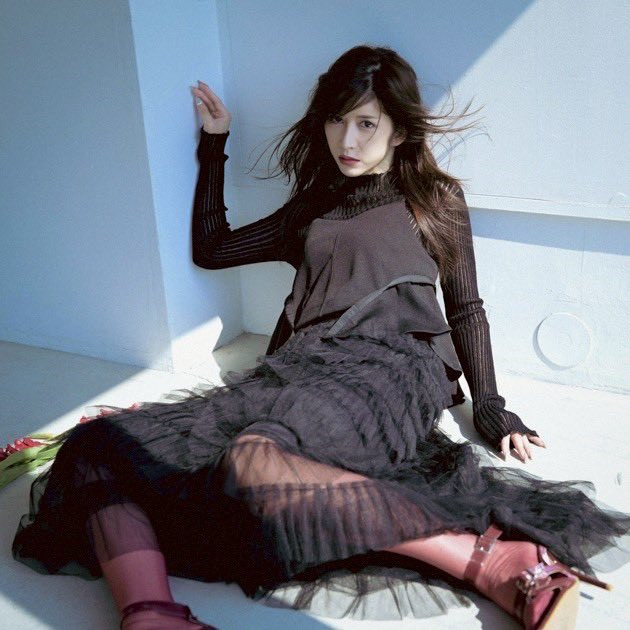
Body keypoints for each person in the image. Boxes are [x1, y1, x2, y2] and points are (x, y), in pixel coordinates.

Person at [12, 45, 630, 630]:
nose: (347, 141)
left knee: (253, 463)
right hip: (299, 370)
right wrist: (215, 145)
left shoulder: (433, 199)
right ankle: (151, 613)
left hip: (394, 366)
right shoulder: (312, 208)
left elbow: (466, 308)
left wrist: (490, 406)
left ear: (400, 129)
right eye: (337, 121)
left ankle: (495, 559)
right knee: (98, 446)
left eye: (366, 123)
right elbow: (213, 249)